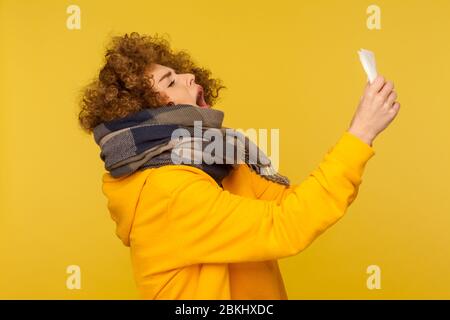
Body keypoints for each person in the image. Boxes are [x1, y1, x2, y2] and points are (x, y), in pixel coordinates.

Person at [78, 32, 400, 299]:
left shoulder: (219, 164)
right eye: (171, 81)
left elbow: (296, 206)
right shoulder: (169, 191)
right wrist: (360, 131)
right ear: (157, 112)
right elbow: (286, 226)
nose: (189, 76)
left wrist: (361, 139)